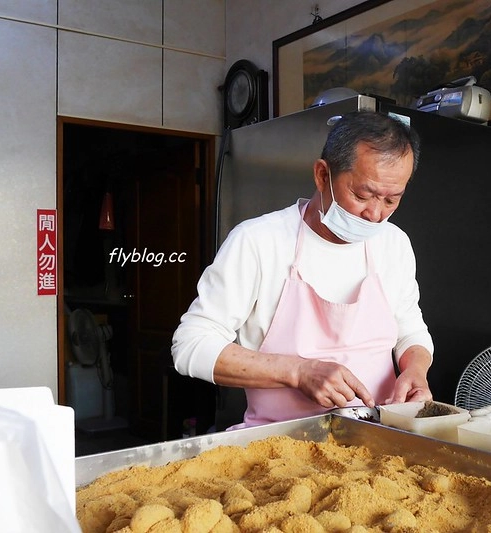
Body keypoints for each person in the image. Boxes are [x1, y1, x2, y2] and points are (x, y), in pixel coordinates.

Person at [171, 111, 434, 427]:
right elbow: (191, 344)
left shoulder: (394, 244)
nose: (376, 214)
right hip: (278, 446)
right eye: (363, 195)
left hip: (378, 440)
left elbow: (410, 330)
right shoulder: (258, 241)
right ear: (323, 175)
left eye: (392, 200)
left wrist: (415, 370)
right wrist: (296, 371)